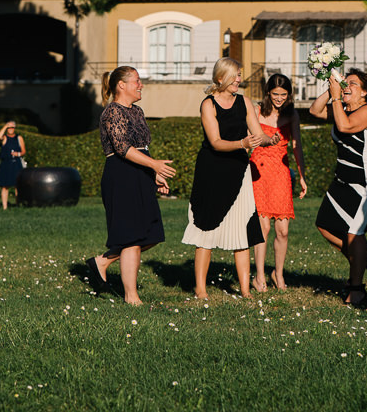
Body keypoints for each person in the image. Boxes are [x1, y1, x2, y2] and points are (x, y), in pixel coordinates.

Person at [182, 57, 280, 299]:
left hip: (238, 171)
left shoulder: (244, 102)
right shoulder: (208, 105)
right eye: (236, 75)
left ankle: (245, 291)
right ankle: (201, 290)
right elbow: (215, 142)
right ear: (220, 78)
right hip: (212, 172)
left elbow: (258, 134)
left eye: (239, 74)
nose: (239, 79)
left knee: (243, 230)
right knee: (205, 230)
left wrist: (270, 140)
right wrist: (242, 143)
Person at [85, 66, 175, 305]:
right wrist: (154, 165)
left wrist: (154, 174)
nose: (141, 85)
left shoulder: (138, 111)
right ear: (121, 85)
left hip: (140, 174)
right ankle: (131, 297)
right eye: (136, 81)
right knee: (132, 238)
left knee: (151, 234)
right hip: (121, 176)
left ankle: (103, 261)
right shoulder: (111, 112)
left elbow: (142, 148)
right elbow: (122, 149)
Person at [309, 68, 367, 305]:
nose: (347, 86)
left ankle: (356, 287)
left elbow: (346, 127)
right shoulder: (342, 108)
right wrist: (332, 90)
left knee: (354, 232)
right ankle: (357, 257)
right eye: (345, 82)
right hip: (341, 180)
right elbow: (314, 111)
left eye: (353, 84)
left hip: (365, 182)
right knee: (324, 225)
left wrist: (337, 96)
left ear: (365, 92)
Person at [250, 73, 307, 292]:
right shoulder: (256, 111)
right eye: (275, 94)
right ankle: (259, 276)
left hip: (282, 173)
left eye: (284, 94)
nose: (279, 98)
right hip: (260, 170)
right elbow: (249, 139)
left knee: (282, 230)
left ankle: (278, 273)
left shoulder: (292, 115)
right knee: (263, 228)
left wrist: (302, 175)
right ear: (267, 93)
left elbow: (297, 146)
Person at [0, 120, 26, 210]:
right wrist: (5, 126)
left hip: (16, 163)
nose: (10, 129)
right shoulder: (5, 138)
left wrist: (17, 154)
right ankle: (5, 207)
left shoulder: (19, 138)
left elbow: (23, 151)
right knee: (5, 186)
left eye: (12, 127)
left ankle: (18, 204)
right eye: (9, 128)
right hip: (6, 163)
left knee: (17, 185)